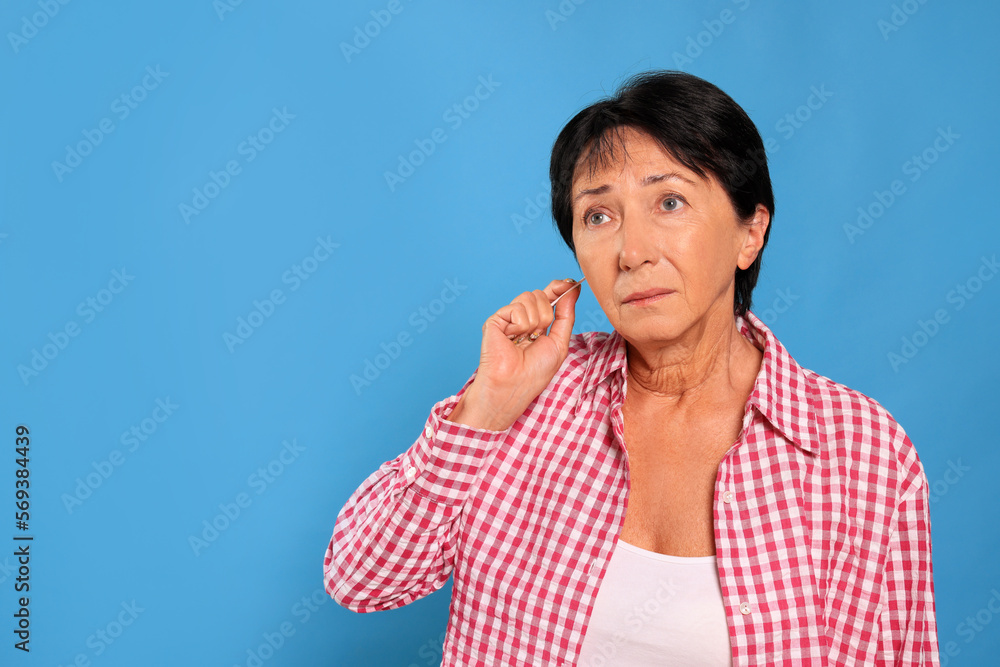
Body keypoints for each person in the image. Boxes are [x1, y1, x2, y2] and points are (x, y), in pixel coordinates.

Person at [324, 70, 940, 666]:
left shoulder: (863, 454)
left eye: (669, 201)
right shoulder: (527, 399)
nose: (632, 251)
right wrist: (484, 409)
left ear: (750, 231)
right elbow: (360, 580)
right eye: (598, 216)